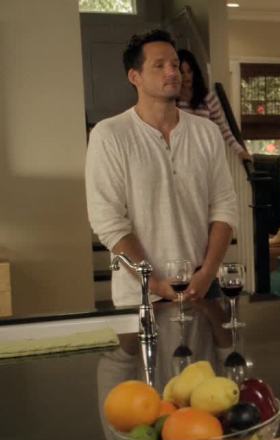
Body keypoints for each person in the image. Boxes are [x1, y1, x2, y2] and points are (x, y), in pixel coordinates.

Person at [86, 30, 238, 307]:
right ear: (135, 77)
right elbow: (108, 221)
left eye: (175, 64)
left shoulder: (206, 132)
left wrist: (206, 274)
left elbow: (224, 206)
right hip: (141, 296)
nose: (172, 72)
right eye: (159, 65)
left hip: (203, 288)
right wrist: (155, 284)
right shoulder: (109, 135)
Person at [176, 49, 252, 161]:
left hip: (204, 153)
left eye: (189, 71)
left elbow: (222, 128)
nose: (187, 76)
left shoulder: (208, 98)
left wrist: (240, 151)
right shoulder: (171, 99)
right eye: (182, 72)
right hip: (180, 154)